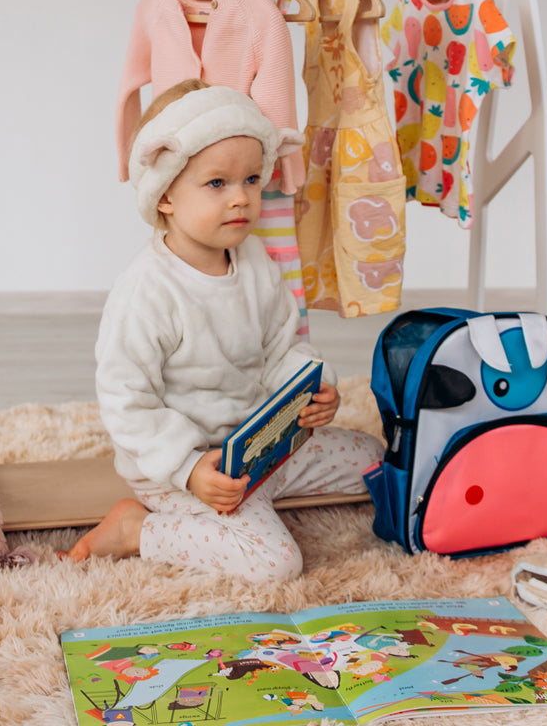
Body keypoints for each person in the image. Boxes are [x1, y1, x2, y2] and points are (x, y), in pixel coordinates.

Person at [60, 79, 382, 583]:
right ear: (165, 195)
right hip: (187, 467)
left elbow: (281, 347)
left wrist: (315, 386)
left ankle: (260, 496)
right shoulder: (146, 292)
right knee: (275, 564)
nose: (240, 199)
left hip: (256, 445)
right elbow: (127, 403)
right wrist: (187, 469)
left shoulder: (255, 261)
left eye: (252, 180)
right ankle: (138, 529)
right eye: (217, 184)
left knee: (373, 462)